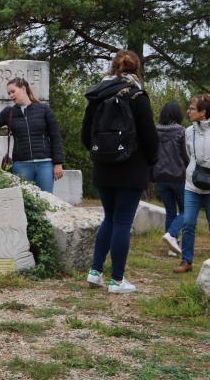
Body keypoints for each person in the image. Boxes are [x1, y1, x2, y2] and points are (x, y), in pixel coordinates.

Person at [81, 50, 158, 293]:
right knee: (123, 222)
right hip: (131, 167)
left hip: (103, 167)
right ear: (136, 69)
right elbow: (149, 136)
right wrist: (150, 162)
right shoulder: (137, 96)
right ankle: (116, 279)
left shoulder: (96, 95)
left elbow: (86, 135)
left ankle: (95, 272)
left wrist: (101, 153)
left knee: (110, 218)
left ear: (113, 68)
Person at [0, 77, 64, 193]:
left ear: (23, 89)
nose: (10, 96)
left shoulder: (44, 109)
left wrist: (58, 163)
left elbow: (55, 136)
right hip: (21, 166)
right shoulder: (9, 112)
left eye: (13, 92)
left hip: (45, 164)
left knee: (47, 202)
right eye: (8, 93)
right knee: (26, 202)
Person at [173, 94, 210, 273]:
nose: (188, 111)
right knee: (188, 223)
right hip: (192, 185)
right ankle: (186, 261)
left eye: (192, 109)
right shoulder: (188, 131)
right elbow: (188, 155)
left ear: (203, 112)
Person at [151, 102, 189, 256]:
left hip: (160, 176)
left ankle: (172, 248)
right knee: (187, 210)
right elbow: (185, 155)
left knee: (171, 212)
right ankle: (172, 235)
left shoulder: (155, 130)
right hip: (178, 176)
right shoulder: (181, 131)